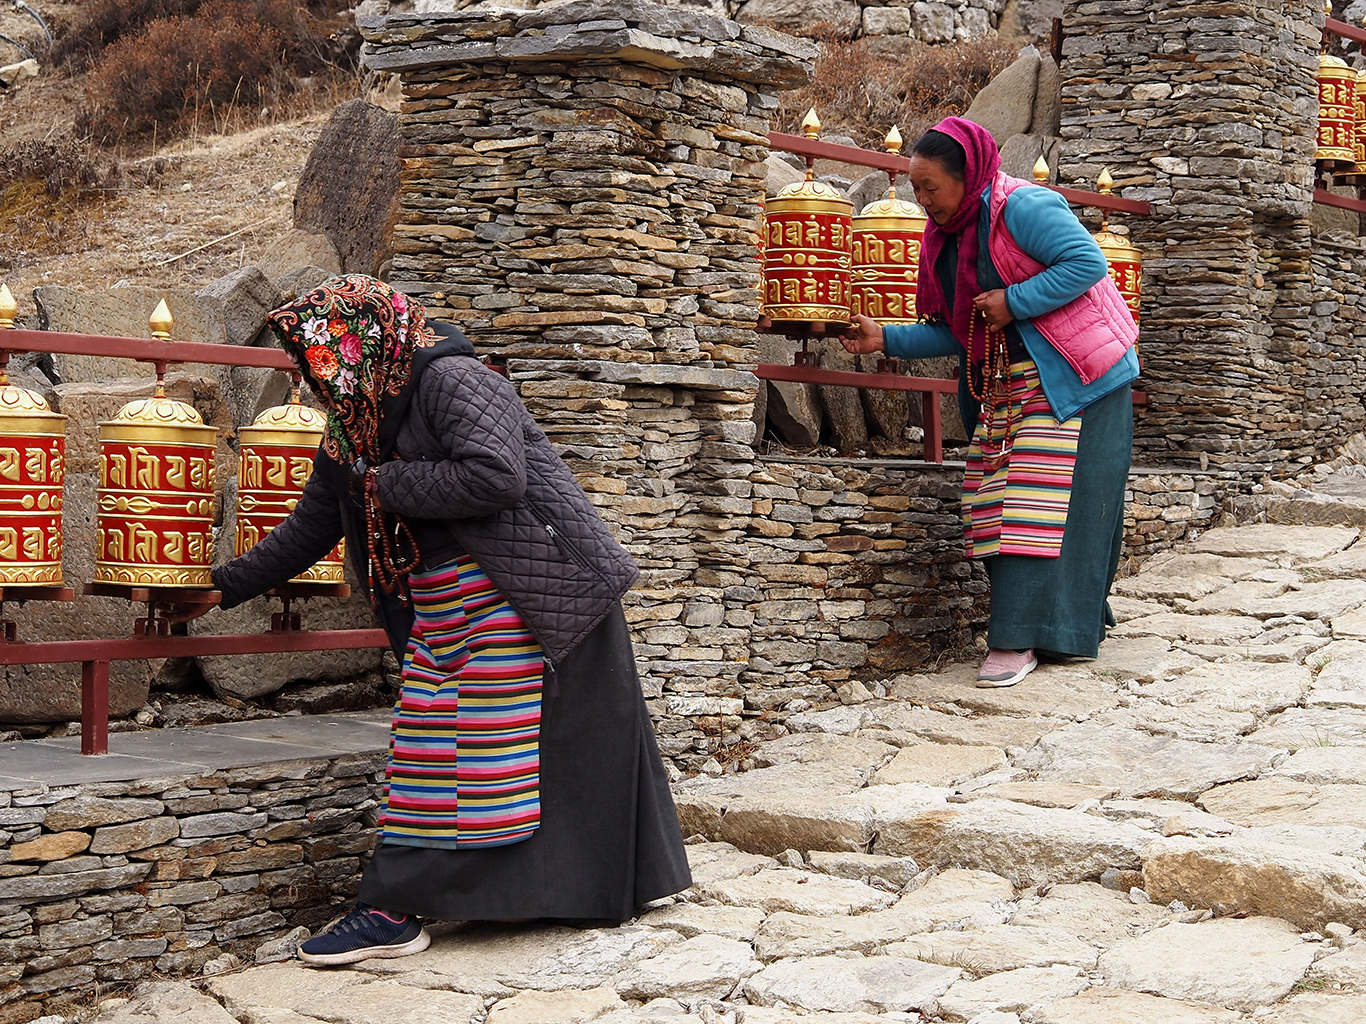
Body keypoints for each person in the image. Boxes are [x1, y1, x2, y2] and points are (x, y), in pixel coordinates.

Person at [172, 275, 691, 965]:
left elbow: (495, 477)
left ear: (367, 339)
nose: (318, 368)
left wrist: (384, 482)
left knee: (455, 756)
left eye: (327, 353)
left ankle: (396, 910)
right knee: (464, 755)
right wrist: (222, 588)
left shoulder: (454, 380)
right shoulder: (353, 417)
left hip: (528, 595)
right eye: (311, 358)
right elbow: (314, 524)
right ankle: (442, 904)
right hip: (454, 605)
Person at [842, 116, 1139, 689]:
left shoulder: (1023, 208)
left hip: (1082, 375)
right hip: (1010, 383)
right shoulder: (948, 238)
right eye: (915, 187)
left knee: (1040, 509)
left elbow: (1087, 264)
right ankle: (1060, 627)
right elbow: (964, 328)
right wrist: (885, 337)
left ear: (967, 175)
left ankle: (1014, 639)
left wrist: (1015, 300)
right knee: (999, 502)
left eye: (930, 186)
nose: (921, 199)